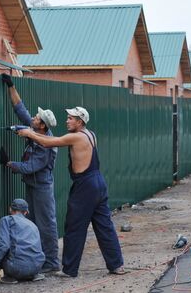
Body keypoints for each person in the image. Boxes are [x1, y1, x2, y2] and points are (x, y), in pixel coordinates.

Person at [17, 106, 125, 278]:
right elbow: (45, 138)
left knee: (74, 227)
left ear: (79, 122)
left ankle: (69, 269)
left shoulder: (75, 137)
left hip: (85, 186)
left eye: (70, 118)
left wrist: (29, 134)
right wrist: (31, 132)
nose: (67, 121)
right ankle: (116, 265)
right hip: (98, 182)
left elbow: (47, 142)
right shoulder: (90, 134)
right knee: (105, 226)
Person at [0, 74, 60, 273]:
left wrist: (9, 163)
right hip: (32, 185)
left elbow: (29, 167)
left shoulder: (45, 146)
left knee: (46, 224)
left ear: (42, 126)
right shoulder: (35, 129)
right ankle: (36, 257)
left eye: (36, 118)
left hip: (42, 187)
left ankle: (51, 262)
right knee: (32, 221)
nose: (32, 118)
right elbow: (20, 109)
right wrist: (11, 86)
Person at [0, 199, 46, 284]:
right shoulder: (32, 224)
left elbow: (3, 245)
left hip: (16, 269)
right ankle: (32, 275)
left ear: (10, 209)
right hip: (37, 267)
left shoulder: (6, 220)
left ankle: (10, 277)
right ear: (26, 212)